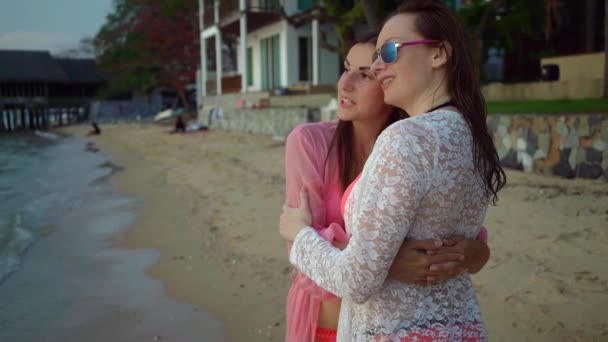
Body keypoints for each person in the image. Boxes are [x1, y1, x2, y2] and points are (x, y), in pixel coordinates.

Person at [280, 1, 507, 340]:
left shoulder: (405, 139)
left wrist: (298, 234)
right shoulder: (472, 135)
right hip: (461, 328)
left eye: (388, 52)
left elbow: (357, 281)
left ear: (438, 54)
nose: (378, 65)